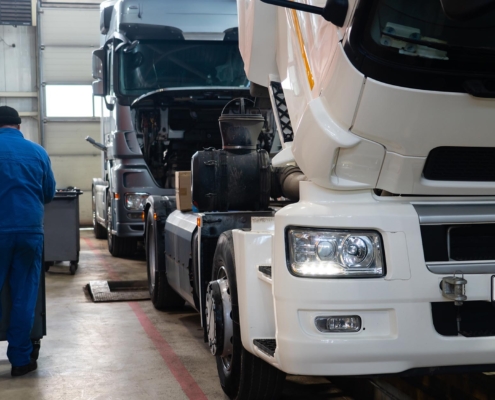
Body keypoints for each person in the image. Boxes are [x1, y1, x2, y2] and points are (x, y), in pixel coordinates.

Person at [0, 106, 56, 377]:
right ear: (19, 127)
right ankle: (21, 360)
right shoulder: (38, 152)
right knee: (24, 296)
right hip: (30, 231)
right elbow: (48, 193)